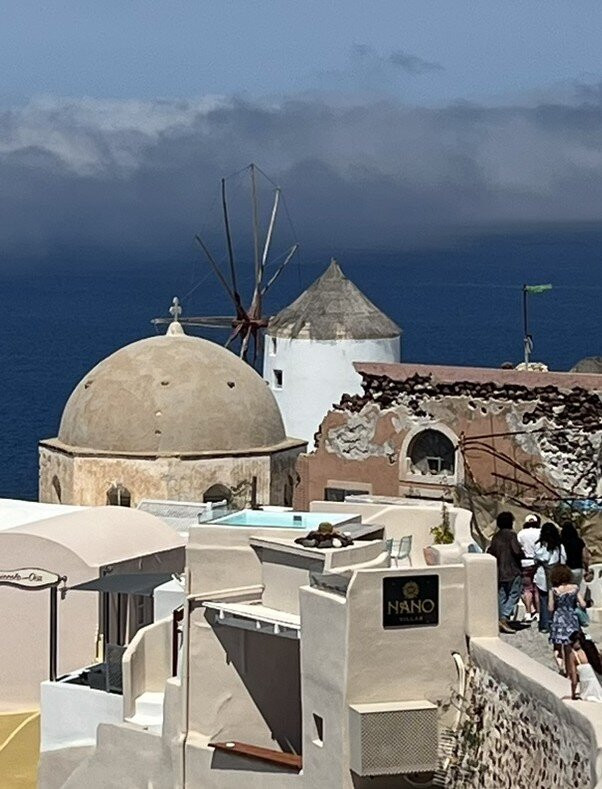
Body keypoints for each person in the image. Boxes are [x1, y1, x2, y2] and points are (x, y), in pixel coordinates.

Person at [487, 511, 523, 634]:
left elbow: (491, 552)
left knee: (502, 595)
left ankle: (501, 618)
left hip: (499, 571)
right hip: (513, 570)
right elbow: (517, 551)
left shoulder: (496, 537)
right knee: (514, 594)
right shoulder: (511, 535)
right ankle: (504, 618)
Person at [549, 564, 586, 675]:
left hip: (559, 619)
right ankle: (572, 670)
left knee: (558, 646)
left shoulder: (554, 590)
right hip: (572, 618)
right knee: (571, 644)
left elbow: (550, 608)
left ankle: (562, 666)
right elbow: (583, 604)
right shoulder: (574, 588)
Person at [534, 522, 566, 633]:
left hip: (542, 574)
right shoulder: (559, 546)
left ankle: (544, 624)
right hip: (556, 575)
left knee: (543, 599)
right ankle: (556, 623)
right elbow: (563, 560)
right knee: (557, 600)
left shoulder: (539, 545)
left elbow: (537, 558)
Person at [517, 513, 541, 622]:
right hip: (537, 562)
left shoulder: (521, 534)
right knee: (537, 589)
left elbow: (519, 547)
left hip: (525, 562)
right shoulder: (540, 532)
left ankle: (528, 612)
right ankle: (539, 613)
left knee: (527, 589)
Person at [568, 630, 602, 701]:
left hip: (587, 692)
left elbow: (574, 681)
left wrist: (573, 695)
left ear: (577, 642)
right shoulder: (593, 652)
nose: (570, 646)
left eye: (571, 643)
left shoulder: (573, 655)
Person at [561, 521, 590, 587]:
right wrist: (587, 569)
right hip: (578, 569)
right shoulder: (579, 541)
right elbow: (585, 557)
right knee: (576, 588)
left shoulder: (561, 542)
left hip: (565, 569)